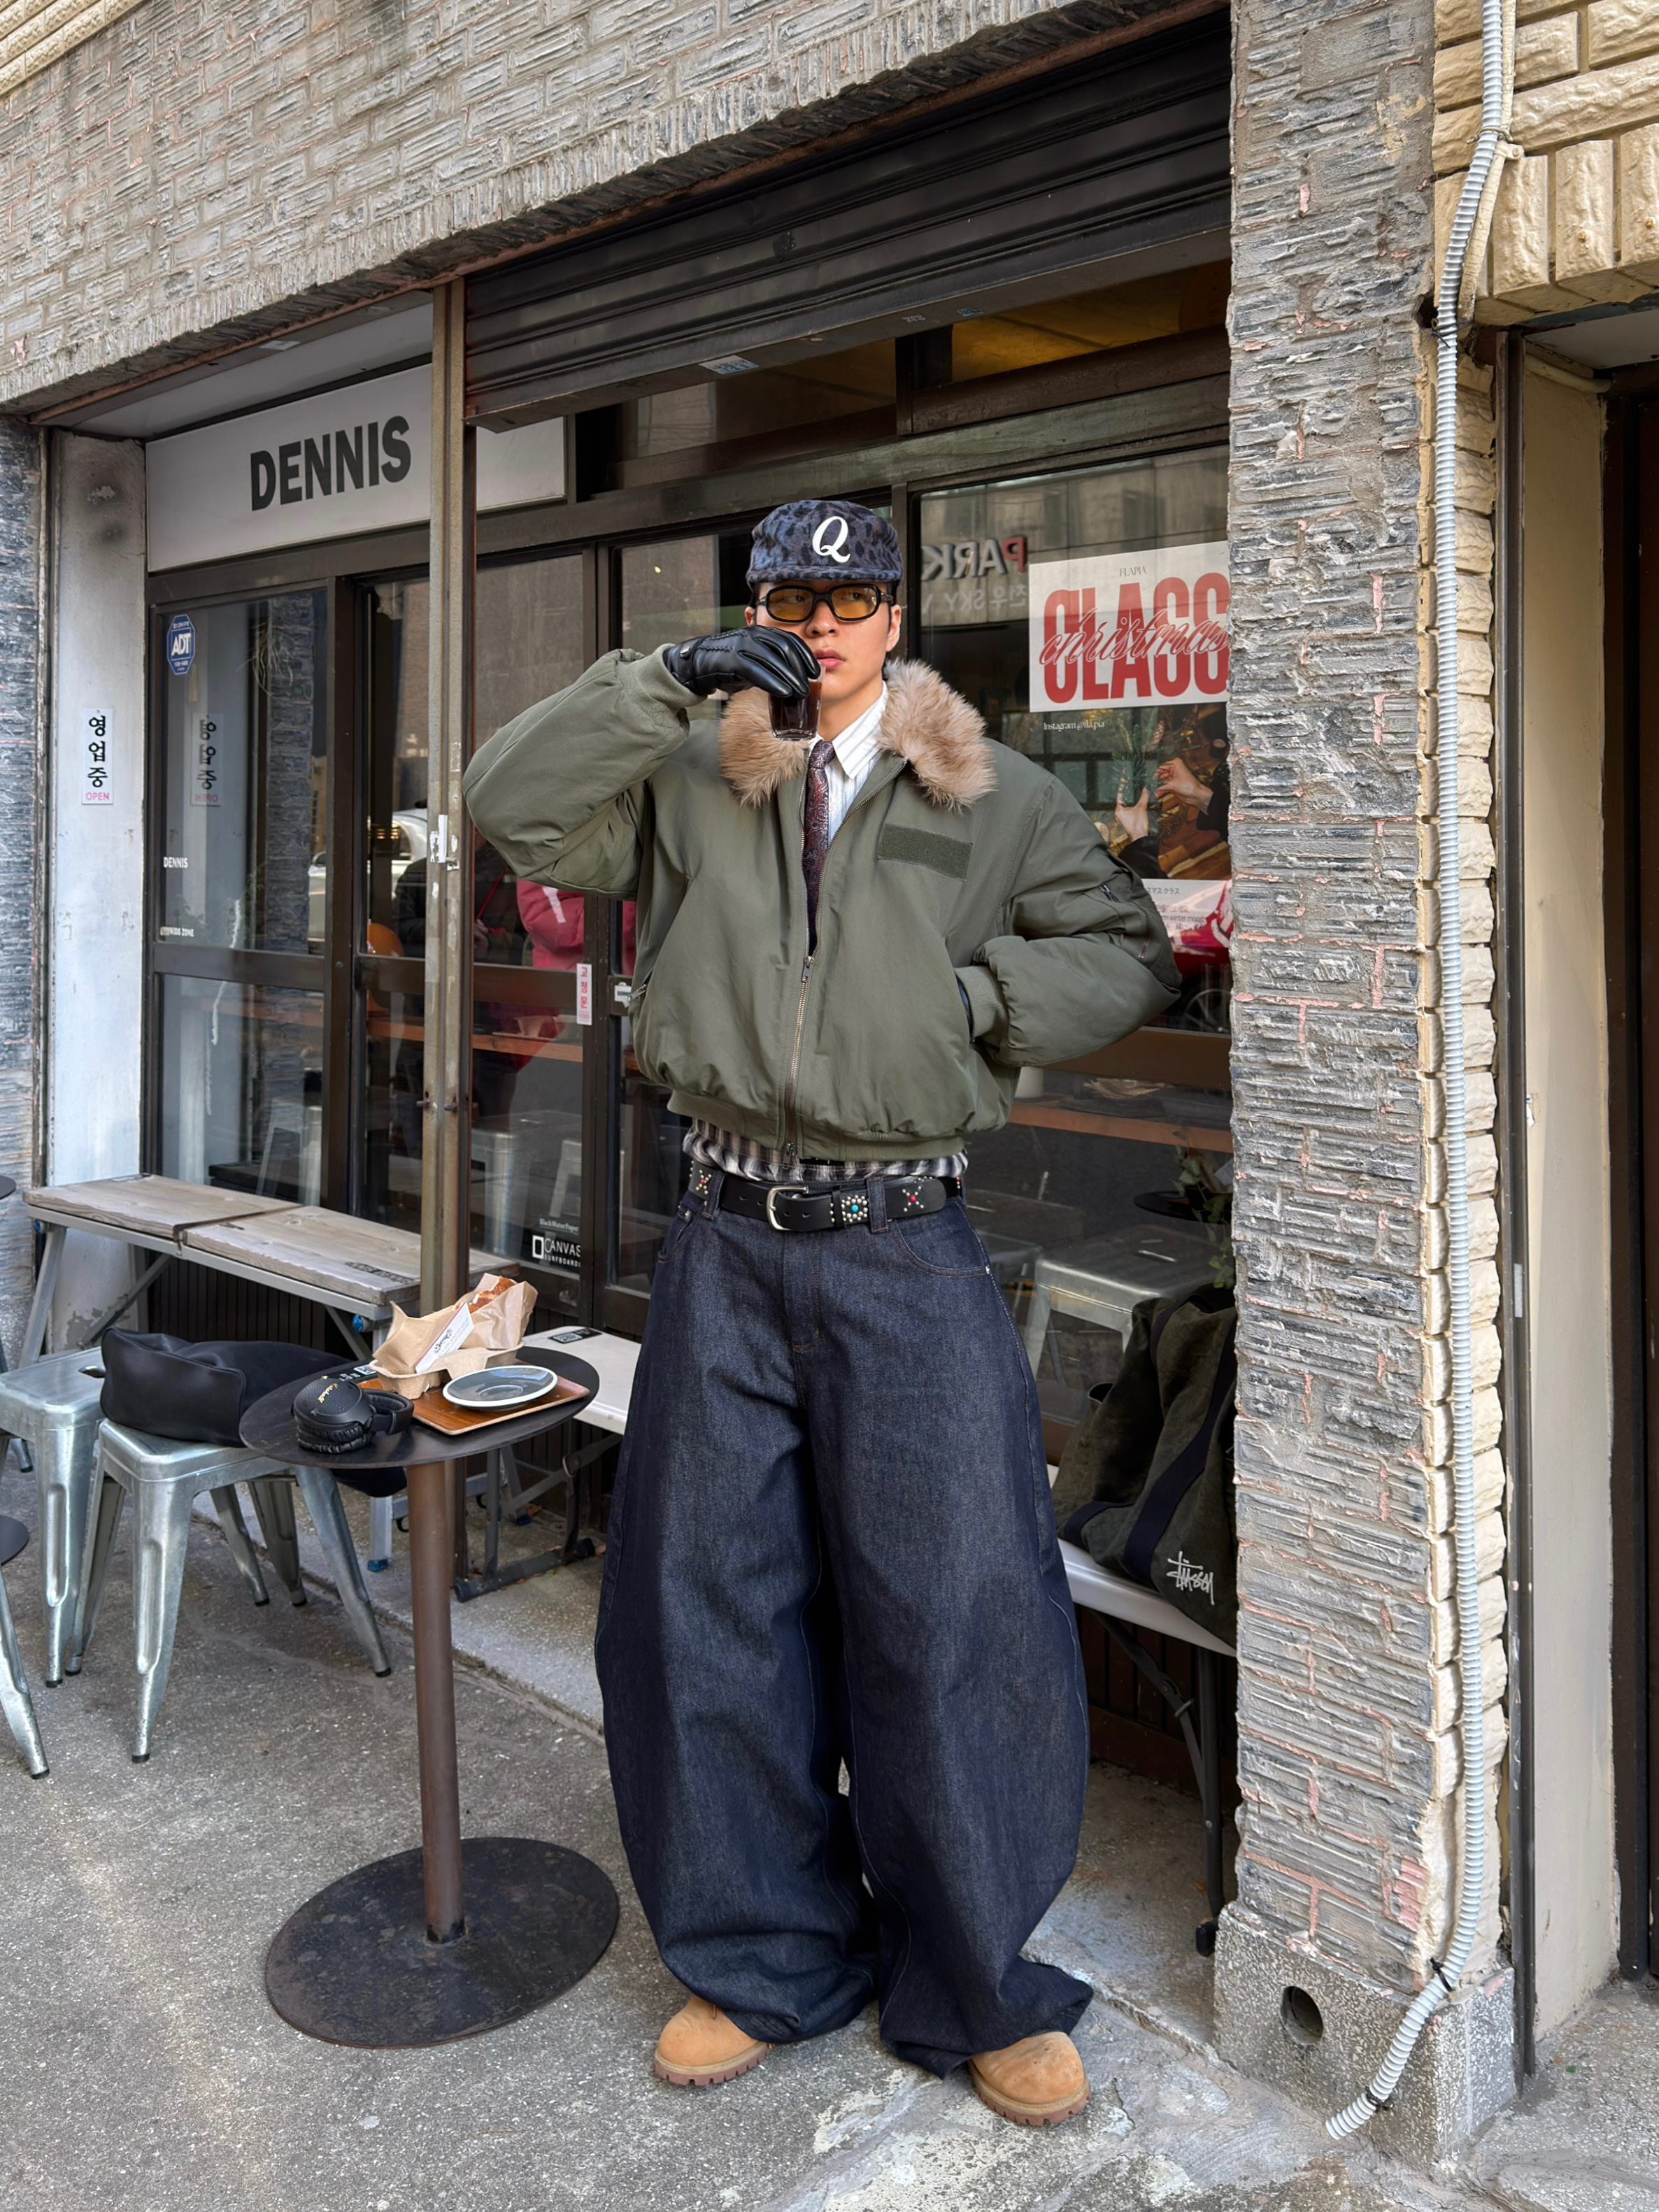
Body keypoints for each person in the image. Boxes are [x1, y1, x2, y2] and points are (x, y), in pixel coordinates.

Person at [463, 498, 1179, 2126]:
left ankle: (973, 1979)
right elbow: (511, 806)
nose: (824, 622)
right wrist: (662, 678)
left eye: (853, 597)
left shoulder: (988, 790)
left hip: (905, 1242)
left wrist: (970, 1000)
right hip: (722, 1236)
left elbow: (1124, 950)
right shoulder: (688, 771)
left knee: (953, 1614)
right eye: (793, 595)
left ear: (894, 616)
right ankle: (763, 1955)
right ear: (759, 609)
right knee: (703, 1609)